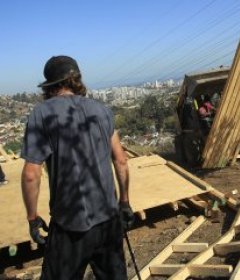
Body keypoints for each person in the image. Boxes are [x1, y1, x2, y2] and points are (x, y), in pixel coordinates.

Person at [21, 55, 134, 280]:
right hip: (108, 221)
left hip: (69, 226)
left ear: (51, 86)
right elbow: (120, 161)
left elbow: (31, 175)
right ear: (76, 80)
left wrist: (33, 218)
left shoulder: (42, 114)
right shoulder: (102, 111)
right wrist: (124, 202)